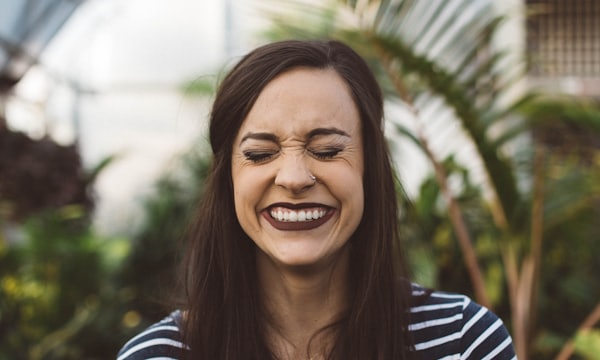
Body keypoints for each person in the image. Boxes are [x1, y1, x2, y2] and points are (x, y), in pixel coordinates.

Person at [117, 39, 516, 360]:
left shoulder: (464, 342)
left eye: (326, 150)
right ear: (228, 181)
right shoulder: (158, 355)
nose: (293, 178)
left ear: (369, 170)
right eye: (259, 154)